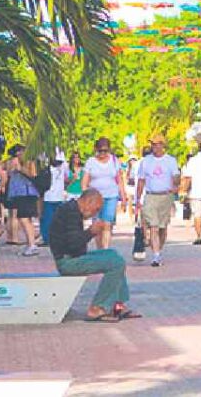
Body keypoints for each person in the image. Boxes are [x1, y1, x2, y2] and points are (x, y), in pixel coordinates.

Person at [49, 189, 140, 322]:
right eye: (96, 209)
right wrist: (91, 232)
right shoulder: (70, 212)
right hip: (67, 262)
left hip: (73, 257)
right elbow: (73, 244)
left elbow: (74, 244)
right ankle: (97, 308)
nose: (95, 213)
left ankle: (117, 304)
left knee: (112, 254)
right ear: (88, 202)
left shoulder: (72, 209)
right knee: (116, 263)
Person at [134, 136, 179, 267]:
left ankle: (158, 249)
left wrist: (177, 182)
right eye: (153, 144)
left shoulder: (170, 161)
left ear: (162, 145)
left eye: (157, 144)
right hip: (150, 196)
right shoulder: (146, 161)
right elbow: (141, 180)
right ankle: (156, 255)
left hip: (165, 196)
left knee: (162, 228)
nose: (155, 147)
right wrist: (137, 199)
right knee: (153, 226)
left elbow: (176, 177)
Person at [84, 137, 126, 249]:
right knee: (97, 224)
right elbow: (85, 181)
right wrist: (85, 197)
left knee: (107, 223)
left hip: (111, 195)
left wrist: (123, 197)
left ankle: (106, 249)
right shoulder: (91, 162)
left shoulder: (114, 160)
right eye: (100, 150)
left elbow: (119, 180)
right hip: (95, 197)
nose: (103, 153)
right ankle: (100, 249)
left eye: (105, 151)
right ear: (95, 149)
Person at [3, 144, 40, 256]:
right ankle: (30, 243)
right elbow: (6, 172)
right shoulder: (12, 161)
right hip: (18, 193)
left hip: (27, 192)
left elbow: (33, 174)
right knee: (23, 218)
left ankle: (32, 244)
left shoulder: (29, 162)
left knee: (24, 219)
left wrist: (20, 168)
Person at [40, 156, 68, 246]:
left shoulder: (51, 167)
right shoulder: (62, 167)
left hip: (52, 197)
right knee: (52, 220)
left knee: (49, 220)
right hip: (53, 197)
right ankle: (52, 239)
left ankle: (49, 239)